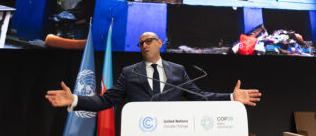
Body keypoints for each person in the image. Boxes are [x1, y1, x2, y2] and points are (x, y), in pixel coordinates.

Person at [46, 32, 261, 111]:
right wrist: (75, 99)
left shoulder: (178, 71)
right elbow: (105, 101)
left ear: (159, 43)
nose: (145, 45)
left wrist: (231, 97)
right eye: (141, 44)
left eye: (149, 41)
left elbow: (201, 97)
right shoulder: (130, 72)